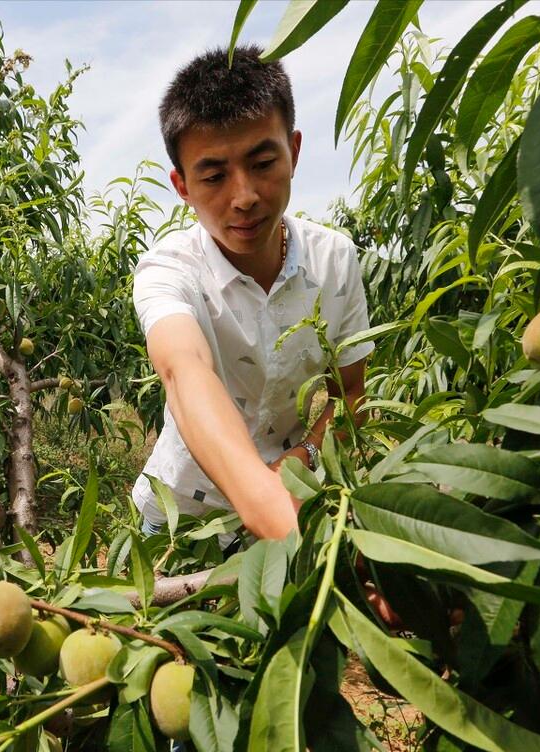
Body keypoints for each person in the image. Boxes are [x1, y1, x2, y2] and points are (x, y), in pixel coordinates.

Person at [132, 45, 372, 542]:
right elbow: (183, 371)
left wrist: (302, 460)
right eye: (214, 176)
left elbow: (349, 394)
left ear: (295, 152)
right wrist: (266, 503)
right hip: (178, 520)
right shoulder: (168, 271)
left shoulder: (334, 261)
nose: (244, 197)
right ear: (181, 185)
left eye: (263, 163)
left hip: (295, 500)